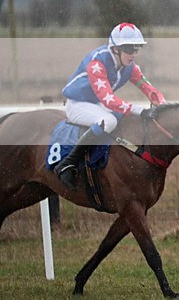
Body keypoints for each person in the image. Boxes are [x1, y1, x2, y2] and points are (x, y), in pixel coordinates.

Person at [54, 22, 166, 189]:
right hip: (77, 104)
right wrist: (140, 110)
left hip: (95, 103)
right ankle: (67, 164)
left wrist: (164, 106)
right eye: (129, 48)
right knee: (109, 121)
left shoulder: (130, 66)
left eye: (136, 48)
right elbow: (108, 100)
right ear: (115, 49)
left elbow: (149, 89)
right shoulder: (97, 63)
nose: (133, 54)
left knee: (123, 119)